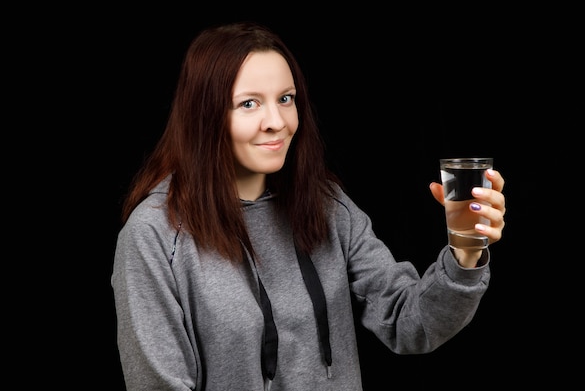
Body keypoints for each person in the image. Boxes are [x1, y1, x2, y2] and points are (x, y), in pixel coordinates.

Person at [111, 21, 506, 391]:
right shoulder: (155, 236)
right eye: (249, 104)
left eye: (286, 99)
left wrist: (467, 252)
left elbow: (410, 324)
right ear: (205, 114)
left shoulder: (326, 206)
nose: (276, 121)